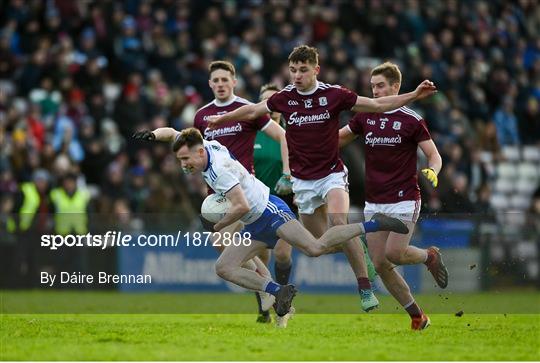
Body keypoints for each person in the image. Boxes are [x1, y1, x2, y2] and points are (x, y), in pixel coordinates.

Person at [207, 45, 437, 312]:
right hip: (303, 182)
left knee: (339, 221)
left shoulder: (334, 94)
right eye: (293, 70)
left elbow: (376, 104)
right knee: (316, 245)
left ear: (316, 70)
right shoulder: (285, 97)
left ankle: (364, 286)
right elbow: (251, 111)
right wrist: (223, 118)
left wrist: (414, 95)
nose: (297, 75)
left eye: (303, 70)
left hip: (331, 175)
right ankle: (360, 243)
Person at [133, 127, 410, 321]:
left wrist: (216, 224)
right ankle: (279, 291)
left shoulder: (218, 173)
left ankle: (373, 225)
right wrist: (154, 135)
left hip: (270, 212)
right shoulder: (204, 144)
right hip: (255, 223)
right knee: (224, 267)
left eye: (185, 159)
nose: (183, 165)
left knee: (315, 247)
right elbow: (176, 134)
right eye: (180, 159)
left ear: (200, 152)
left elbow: (240, 206)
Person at [338, 62, 447, 330]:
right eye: (372, 86)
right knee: (379, 262)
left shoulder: (411, 119)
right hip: (375, 200)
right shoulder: (365, 116)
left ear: (395, 87)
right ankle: (417, 316)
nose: (374, 91)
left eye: (380, 86)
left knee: (395, 253)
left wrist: (433, 170)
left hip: (404, 197)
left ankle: (428, 256)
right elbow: (339, 139)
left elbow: (434, 154)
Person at [193, 60, 292, 322]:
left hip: (243, 193)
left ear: (234, 81)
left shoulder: (247, 109)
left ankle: (269, 293)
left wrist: (287, 173)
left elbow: (282, 135)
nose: (221, 84)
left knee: (236, 247)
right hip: (216, 195)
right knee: (229, 246)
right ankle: (270, 289)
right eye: (216, 80)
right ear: (210, 84)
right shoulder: (201, 116)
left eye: (225, 79)